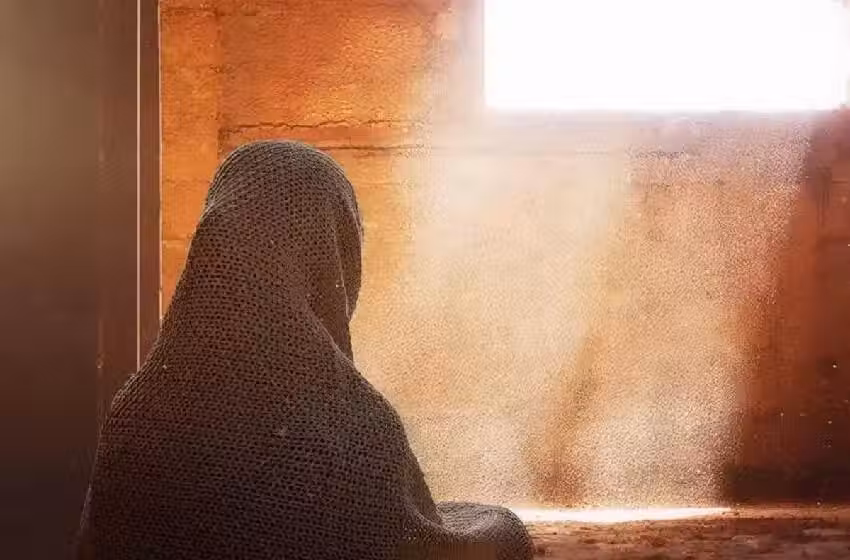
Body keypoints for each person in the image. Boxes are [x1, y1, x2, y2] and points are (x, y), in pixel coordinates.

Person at [77, 141, 534, 560]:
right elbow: (415, 547)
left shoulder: (134, 415)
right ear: (329, 256)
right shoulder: (357, 432)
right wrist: (501, 531)